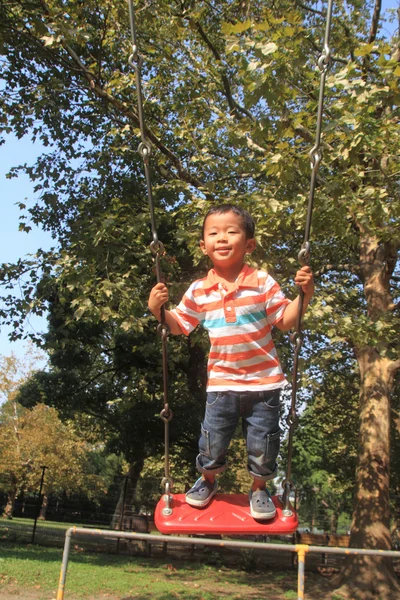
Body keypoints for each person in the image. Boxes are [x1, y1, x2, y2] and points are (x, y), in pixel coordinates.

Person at [148, 204, 314, 520]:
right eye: (213, 233)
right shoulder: (199, 290)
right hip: (222, 382)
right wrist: (158, 310)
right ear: (203, 245)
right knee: (212, 442)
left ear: (249, 244)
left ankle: (259, 489)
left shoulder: (263, 282)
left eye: (231, 232)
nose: (222, 239)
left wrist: (305, 295)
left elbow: (284, 320)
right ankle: (207, 480)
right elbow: (179, 324)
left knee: (263, 445)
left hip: (264, 383)